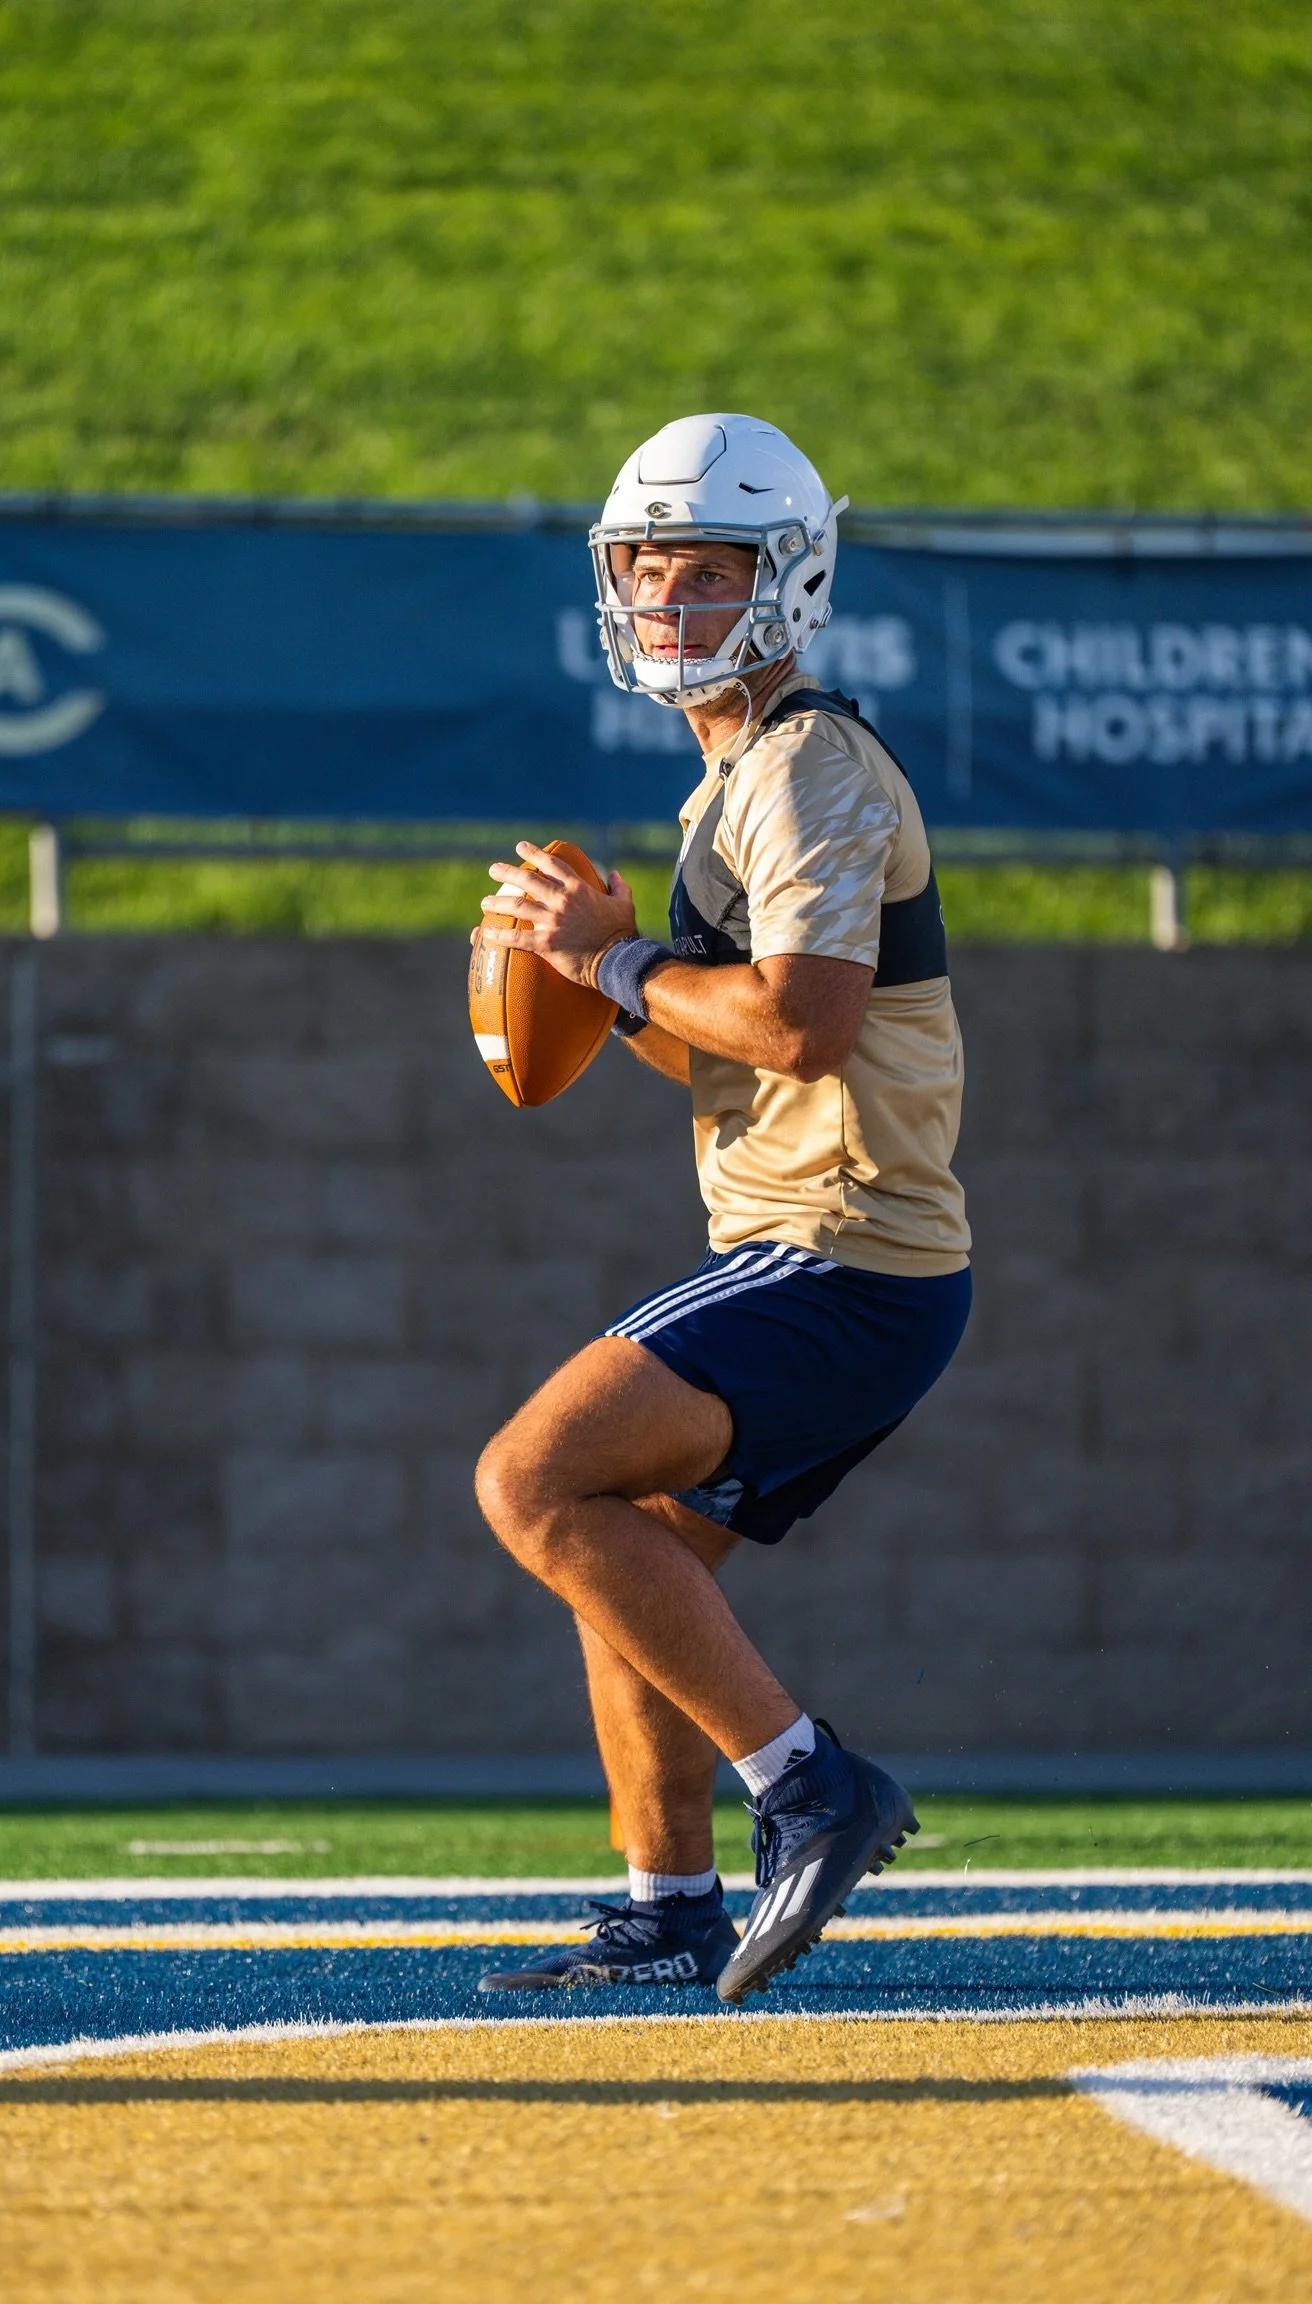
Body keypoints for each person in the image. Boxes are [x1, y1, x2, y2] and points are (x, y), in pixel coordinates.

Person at [471, 414, 972, 2005]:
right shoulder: (735, 781)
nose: (672, 599)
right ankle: (664, 1908)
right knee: (626, 1561)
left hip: (840, 1250)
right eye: (646, 567)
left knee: (534, 1480)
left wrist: (618, 966)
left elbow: (805, 1026)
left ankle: (812, 1782)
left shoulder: (811, 761)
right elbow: (739, 1035)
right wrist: (609, 992)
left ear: (793, 580)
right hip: (828, 1250)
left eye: (708, 568)